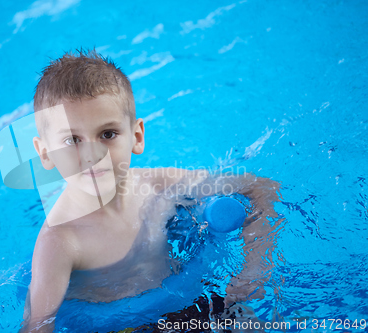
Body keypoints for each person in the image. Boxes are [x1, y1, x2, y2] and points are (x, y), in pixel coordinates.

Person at [19, 49, 281, 332]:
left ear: (137, 136)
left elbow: (260, 188)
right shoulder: (60, 240)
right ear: (45, 153)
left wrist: (255, 269)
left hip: (195, 305)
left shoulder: (160, 186)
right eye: (72, 140)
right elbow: (37, 325)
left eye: (107, 134)